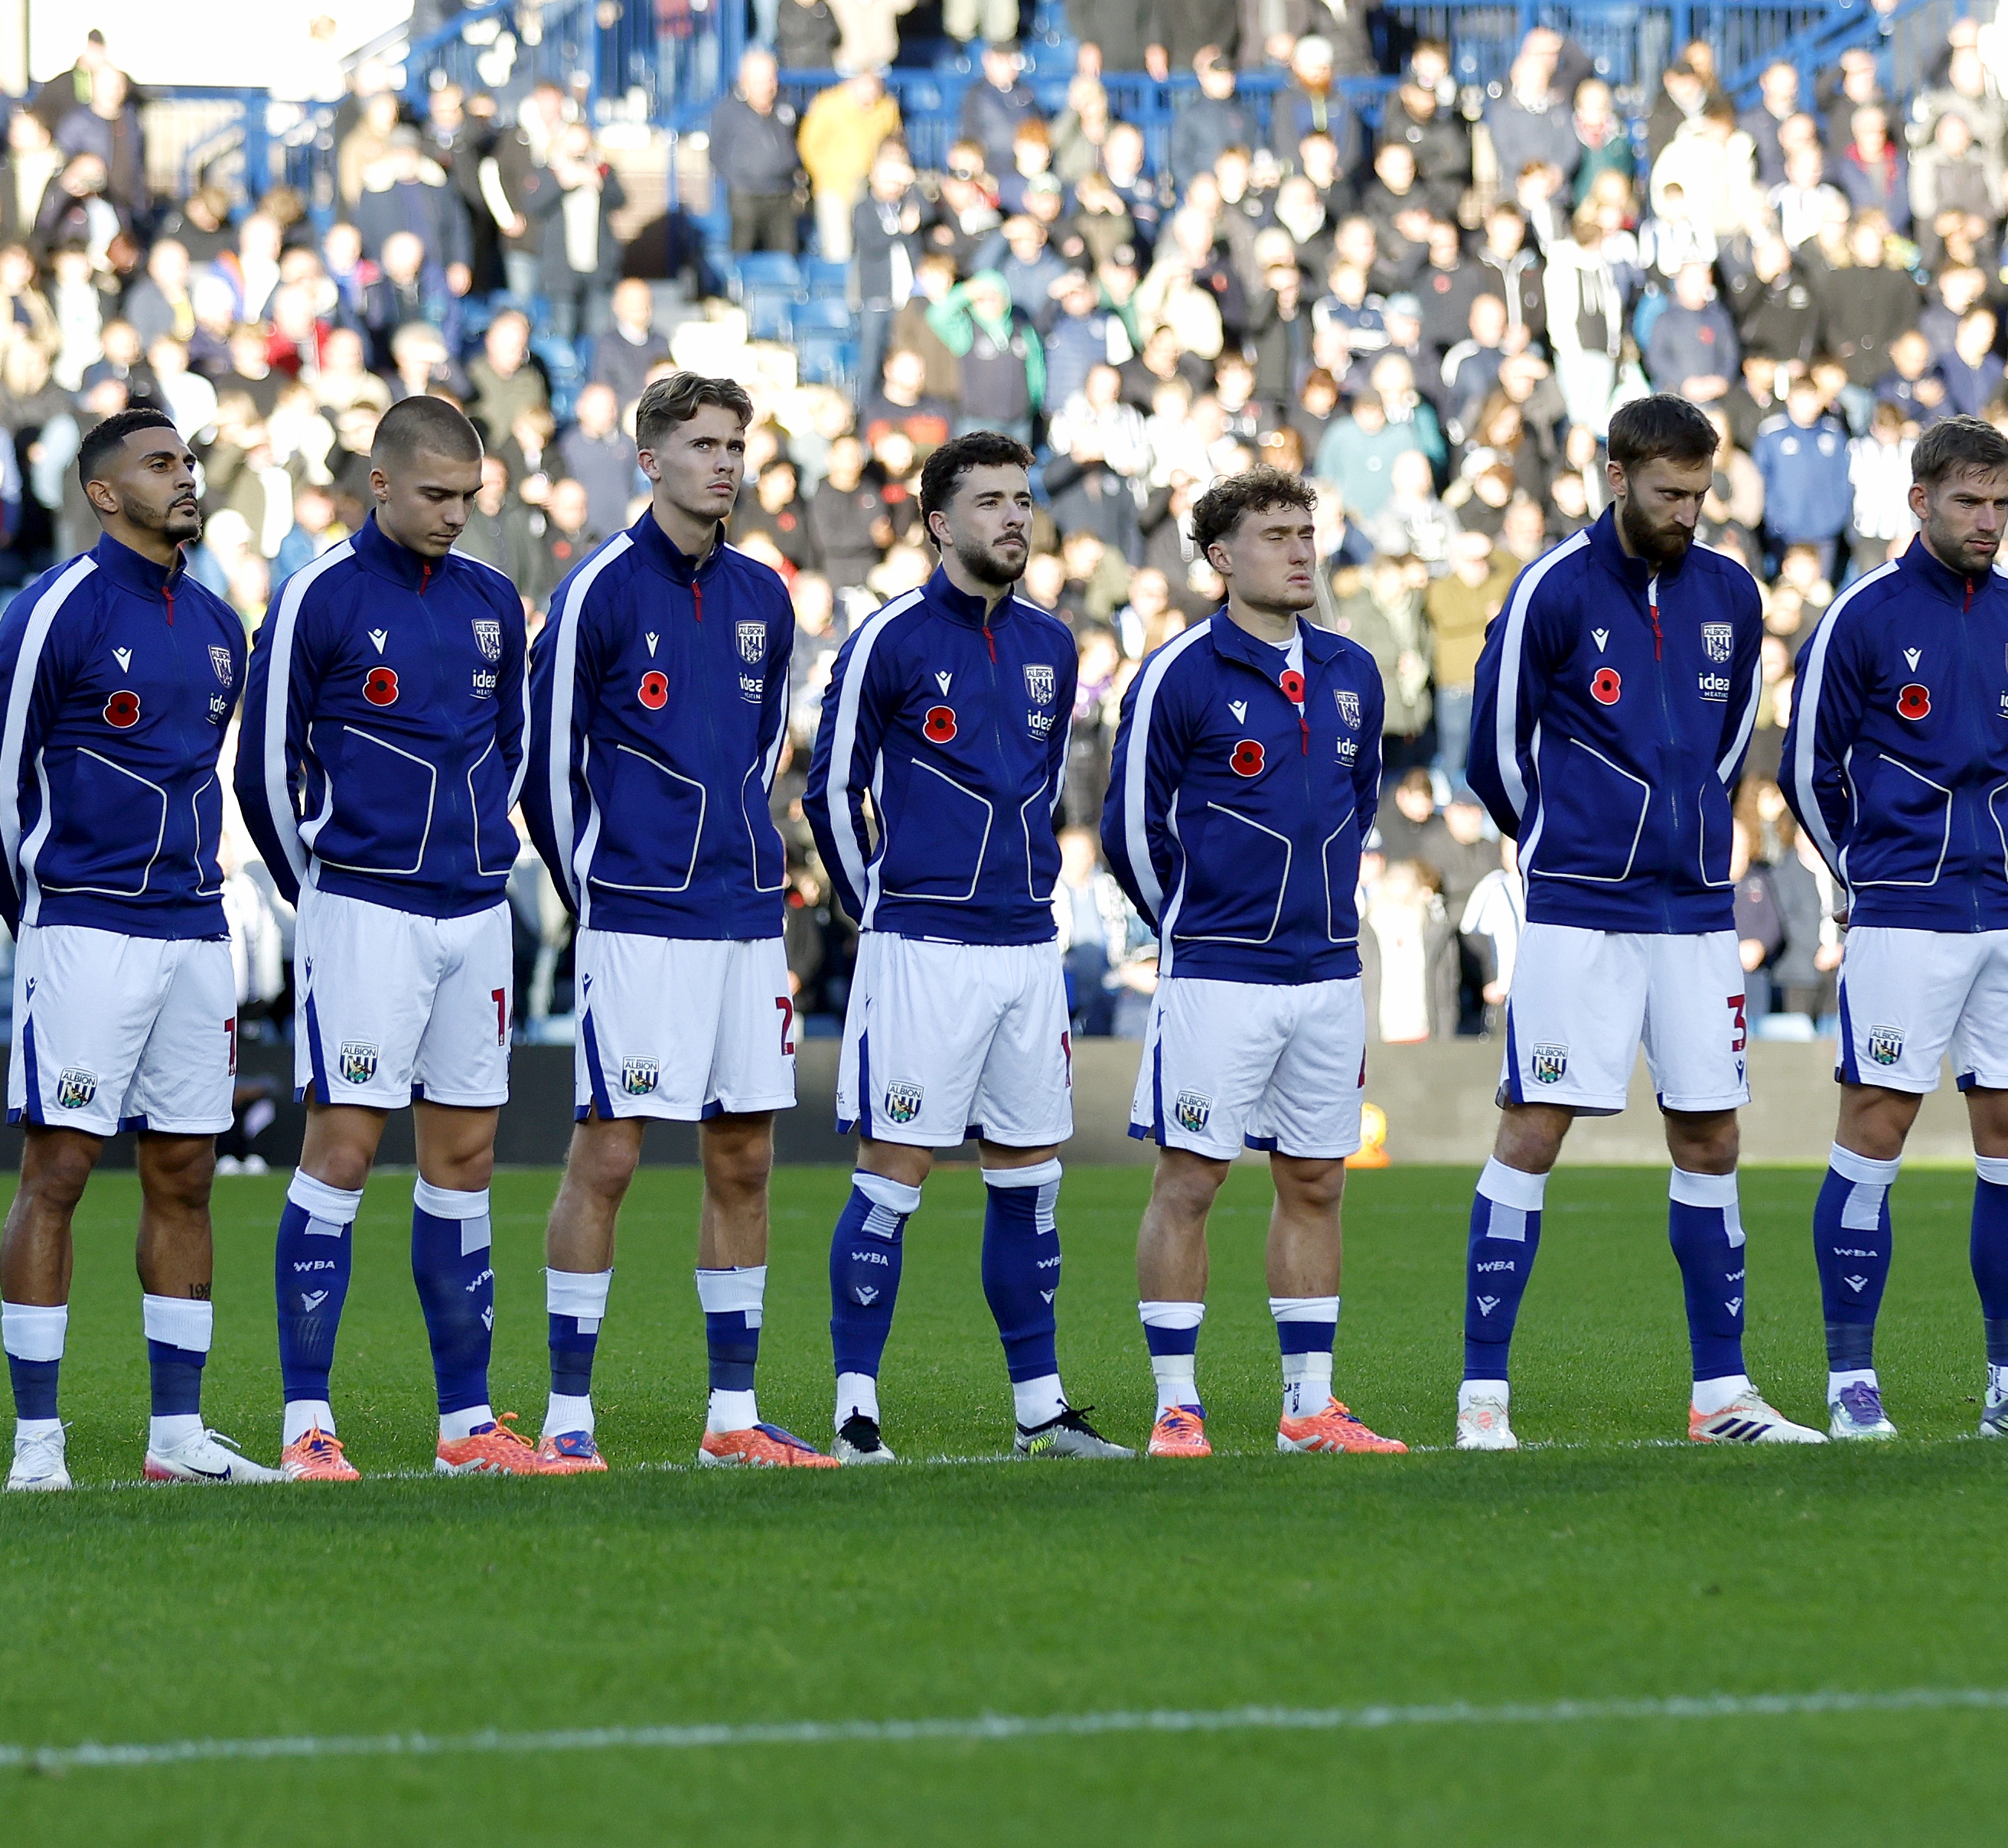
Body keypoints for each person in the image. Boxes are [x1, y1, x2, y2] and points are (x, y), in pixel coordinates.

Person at [1455, 394, 1818, 1449]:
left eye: (1701, 493)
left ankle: (1723, 1396)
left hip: (1696, 908)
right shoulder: (1550, 591)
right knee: (1533, 1128)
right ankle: (1485, 1396)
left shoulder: (1729, 591)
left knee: (1712, 1133)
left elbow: (1729, 733)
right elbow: (1494, 746)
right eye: (1669, 492)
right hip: (1579, 906)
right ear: (1616, 476)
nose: (1687, 511)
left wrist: (1689, 832)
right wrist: (1565, 840)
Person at [231, 393, 559, 1480]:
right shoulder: (318, 594)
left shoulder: (491, 602)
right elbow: (261, 766)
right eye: (436, 495)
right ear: (380, 483)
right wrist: (315, 892)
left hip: (474, 909)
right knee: (344, 1147)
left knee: (464, 1160)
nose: (456, 514)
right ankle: (304, 1424)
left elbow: (510, 747)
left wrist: (479, 851)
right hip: (363, 907)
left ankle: (468, 1424)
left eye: (470, 496)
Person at [521, 372, 829, 1470]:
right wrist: (598, 890)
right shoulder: (597, 590)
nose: (725, 462)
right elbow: (542, 771)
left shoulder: (766, 595)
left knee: (743, 1159)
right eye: (702, 443)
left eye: (736, 444)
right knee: (607, 1156)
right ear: (648, 460)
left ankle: (732, 1416)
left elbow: (757, 754)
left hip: (746, 915)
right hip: (638, 917)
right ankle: (566, 1417)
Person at [0, 408, 269, 1491]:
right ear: (101, 491)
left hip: (194, 926)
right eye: (159, 464)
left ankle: (176, 1436)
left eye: (188, 461)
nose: (185, 477)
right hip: (84, 925)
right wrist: (34, 913)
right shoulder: (54, 609)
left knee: (186, 1173)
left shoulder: (223, 625)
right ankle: (36, 1445)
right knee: (59, 1173)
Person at [803, 432, 1127, 1462]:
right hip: (923, 946)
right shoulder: (888, 638)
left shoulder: (1051, 643)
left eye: (1022, 499)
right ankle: (856, 1408)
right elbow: (830, 786)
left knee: (1030, 1183)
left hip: (1028, 946)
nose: (1014, 518)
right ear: (940, 522)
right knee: (894, 1178)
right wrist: (877, 908)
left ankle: (1041, 1407)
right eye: (989, 501)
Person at [1781, 419, 2008, 1440]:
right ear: (1919, 500)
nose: (1989, 521)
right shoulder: (1860, 617)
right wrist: (1857, 875)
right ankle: (1849, 1383)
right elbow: (1804, 770)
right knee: (1877, 1127)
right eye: (1970, 501)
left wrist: (2000, 849)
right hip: (1904, 911)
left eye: (2002, 501)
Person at [1108, 468, 1403, 1456]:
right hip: (1218, 976)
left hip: (1324, 972)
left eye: (1308, 531)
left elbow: (1356, 805)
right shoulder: (1176, 674)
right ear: (1223, 557)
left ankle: (1309, 1406)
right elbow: (1129, 831)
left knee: (1316, 1179)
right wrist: (1192, 928)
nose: (1302, 548)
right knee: (1190, 1180)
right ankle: (1176, 1403)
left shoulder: (1355, 669)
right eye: (1277, 534)